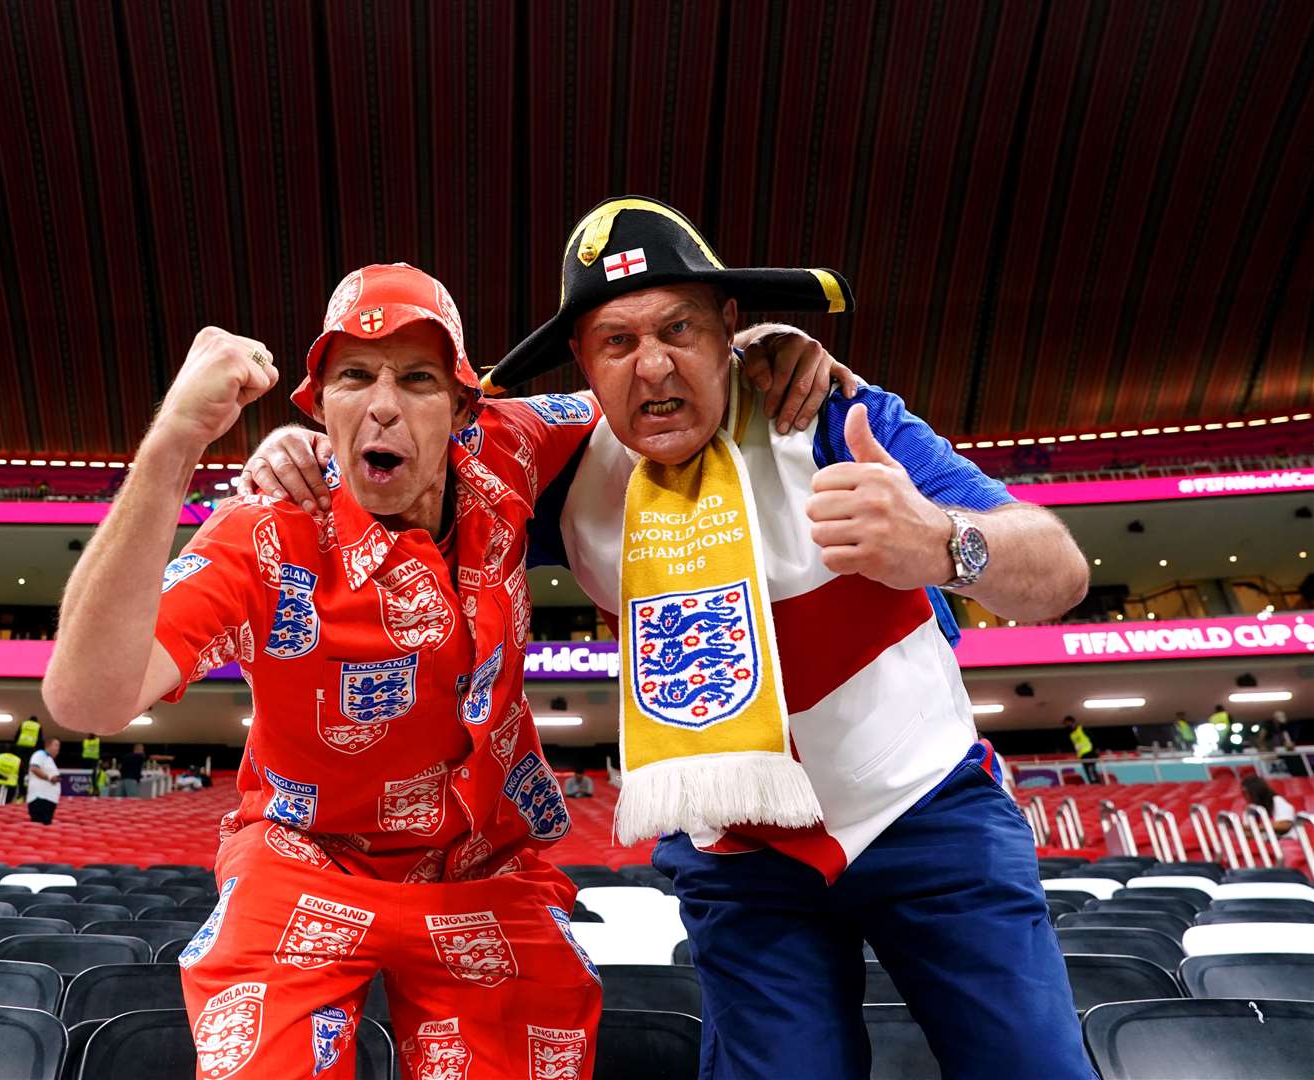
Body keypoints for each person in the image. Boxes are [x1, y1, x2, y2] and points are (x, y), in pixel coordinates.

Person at [256, 198, 1093, 1077]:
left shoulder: (835, 416)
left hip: (928, 811)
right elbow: (402, 465)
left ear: (732, 328)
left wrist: (941, 542)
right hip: (742, 855)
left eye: (680, 328)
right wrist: (304, 450)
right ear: (581, 367)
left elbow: (1060, 572)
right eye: (616, 342)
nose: (653, 366)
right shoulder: (562, 471)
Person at [44, 265, 615, 1078]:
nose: (384, 402)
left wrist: (764, 352)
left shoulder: (509, 445)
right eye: (355, 376)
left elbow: (643, 386)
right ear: (318, 408)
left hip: (485, 865)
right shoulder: (262, 534)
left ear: (462, 407)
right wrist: (174, 443)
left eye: (418, 378)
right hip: (303, 858)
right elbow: (83, 699)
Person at [26, 737, 61, 825]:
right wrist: (50, 778)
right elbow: (34, 768)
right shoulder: (40, 754)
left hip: (48, 799)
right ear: (48, 745)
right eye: (56, 745)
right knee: (39, 826)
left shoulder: (49, 759)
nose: (58, 748)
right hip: (40, 799)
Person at [1065, 715, 1099, 782]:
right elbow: (1075, 745)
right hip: (1082, 755)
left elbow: (1092, 738)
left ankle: (1096, 783)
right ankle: (1092, 784)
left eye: (1068, 723)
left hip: (1090, 752)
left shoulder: (1082, 729)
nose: (1067, 725)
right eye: (1066, 724)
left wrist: (1096, 749)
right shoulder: (1071, 734)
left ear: (1072, 722)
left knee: (1091, 769)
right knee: (1087, 771)